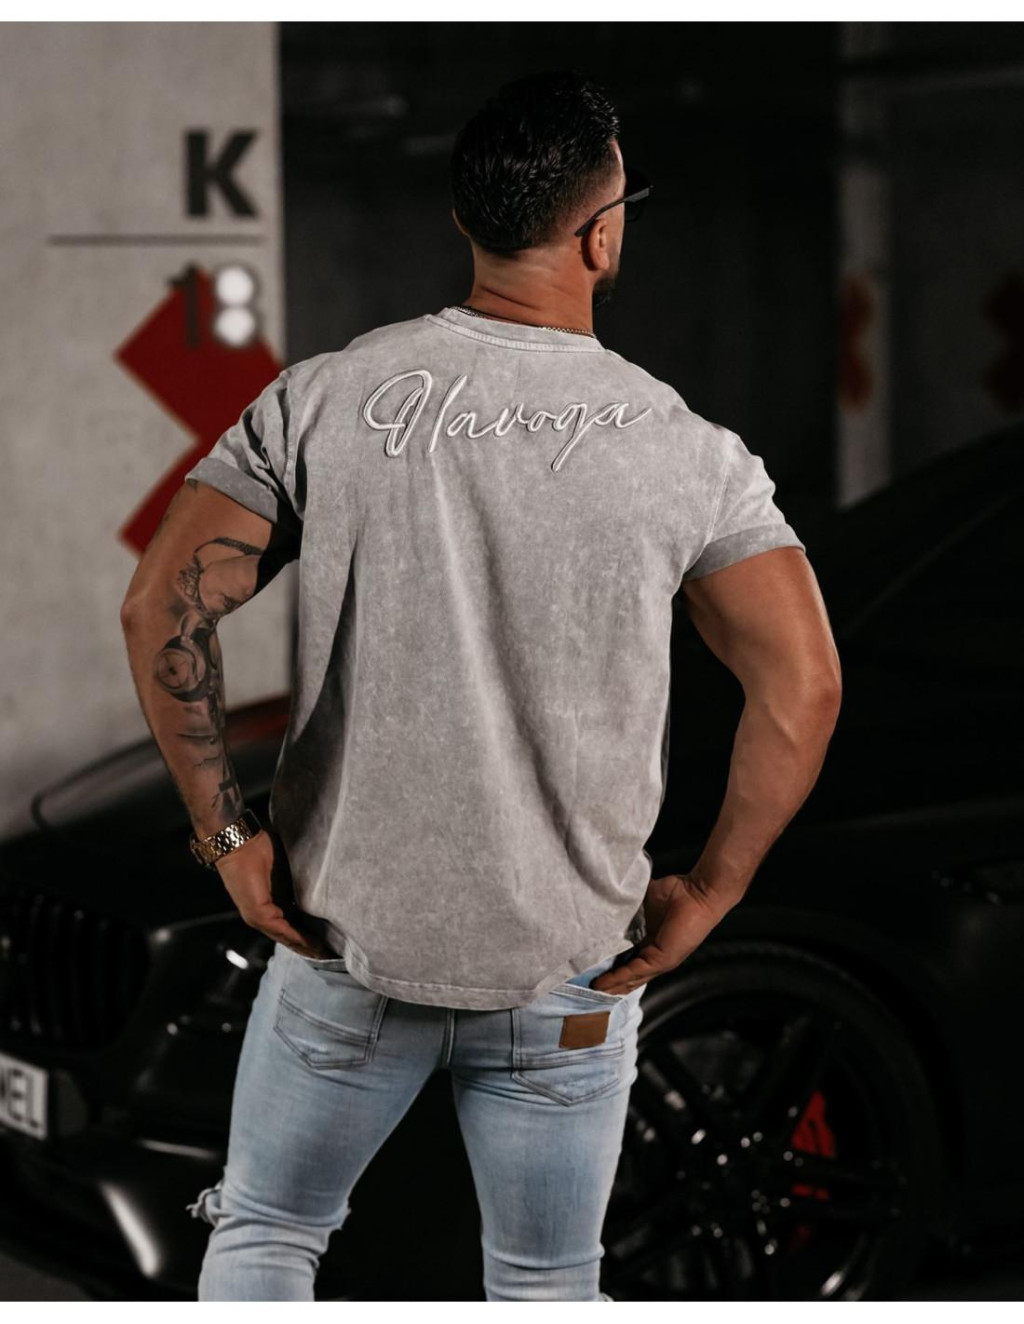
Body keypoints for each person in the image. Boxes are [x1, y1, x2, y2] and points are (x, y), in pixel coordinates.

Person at [119, 68, 842, 1302]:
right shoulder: (685, 450)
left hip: (347, 951)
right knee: (547, 1285)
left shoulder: (325, 398)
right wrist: (710, 889)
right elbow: (802, 685)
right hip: (570, 969)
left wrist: (227, 836)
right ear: (600, 235)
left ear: (466, 220)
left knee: (266, 1235)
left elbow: (160, 606)